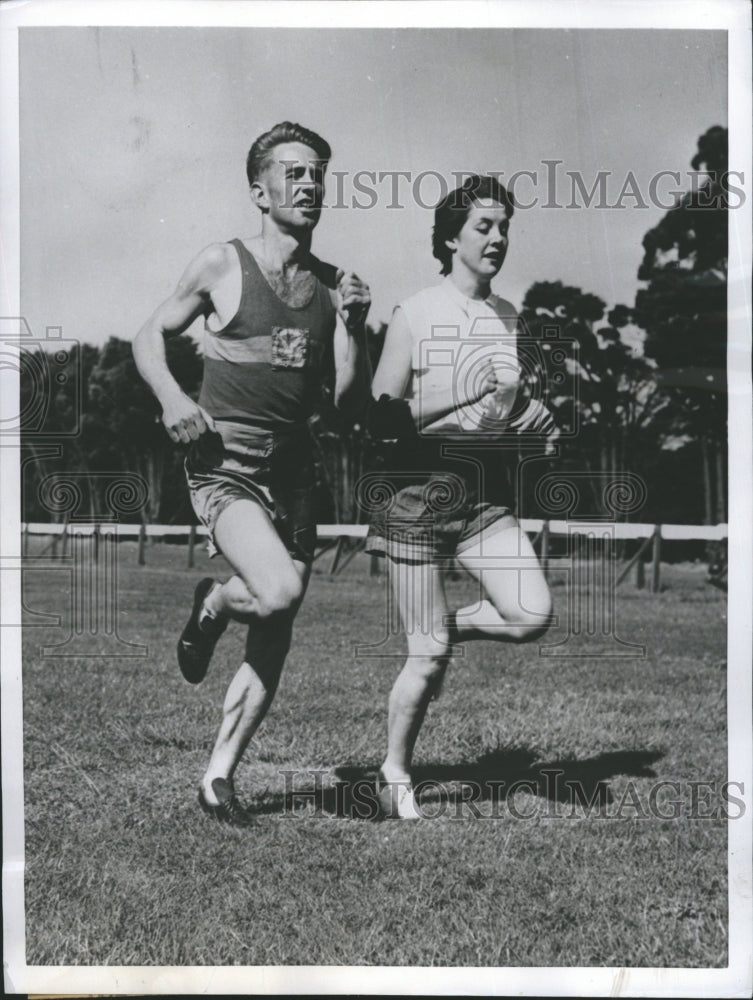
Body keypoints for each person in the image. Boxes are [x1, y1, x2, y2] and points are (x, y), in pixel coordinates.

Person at [133, 121, 371, 825]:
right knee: (276, 589)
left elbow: (348, 404)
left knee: (278, 619)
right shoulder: (221, 264)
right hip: (225, 467)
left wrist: (355, 325)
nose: (309, 185)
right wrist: (174, 398)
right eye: (293, 173)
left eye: (317, 174)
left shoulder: (334, 287)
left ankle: (218, 778)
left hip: (297, 474)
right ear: (258, 190)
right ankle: (213, 603)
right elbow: (149, 336)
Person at [366, 174, 554, 819]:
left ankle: (440, 628)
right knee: (428, 660)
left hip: (483, 495)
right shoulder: (415, 311)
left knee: (530, 616)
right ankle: (394, 769)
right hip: (414, 499)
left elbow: (512, 407)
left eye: (504, 227)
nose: (498, 238)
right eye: (484, 226)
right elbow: (384, 419)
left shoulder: (510, 317)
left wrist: (536, 418)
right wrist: (470, 392)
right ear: (450, 238)